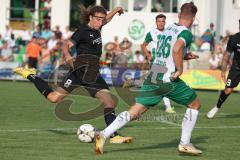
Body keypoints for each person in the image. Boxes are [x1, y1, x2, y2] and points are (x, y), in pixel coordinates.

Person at [95, 2, 202, 155]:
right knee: (195, 104)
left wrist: (184, 56)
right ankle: (184, 143)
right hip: (167, 78)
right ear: (192, 18)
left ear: (179, 15)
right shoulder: (186, 33)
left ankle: (104, 134)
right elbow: (176, 48)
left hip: (154, 73)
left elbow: (167, 52)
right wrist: (180, 68)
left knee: (135, 111)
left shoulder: (169, 28)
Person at [14, 5, 132, 144]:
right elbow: (65, 45)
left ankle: (114, 136)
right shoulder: (82, 31)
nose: (101, 22)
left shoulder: (98, 26)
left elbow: (107, 19)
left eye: (102, 19)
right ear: (90, 18)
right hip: (79, 73)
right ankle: (30, 75)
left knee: (110, 101)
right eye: (98, 19)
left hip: (93, 74)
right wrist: (68, 57)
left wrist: (117, 9)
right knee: (53, 98)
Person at [141, 14, 175, 114]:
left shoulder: (169, 33)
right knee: (163, 82)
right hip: (156, 61)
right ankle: (168, 107)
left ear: (165, 22)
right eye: (159, 21)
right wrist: (147, 54)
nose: (161, 23)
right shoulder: (151, 33)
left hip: (167, 62)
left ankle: (138, 85)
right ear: (156, 22)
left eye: (162, 21)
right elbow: (143, 45)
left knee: (157, 83)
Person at [207, 19, 240, 118]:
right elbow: (226, 55)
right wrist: (223, 71)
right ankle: (217, 107)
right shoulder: (234, 39)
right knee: (227, 91)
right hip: (236, 68)